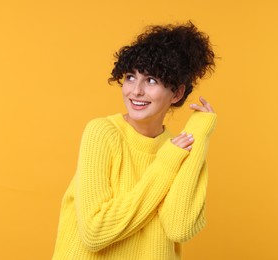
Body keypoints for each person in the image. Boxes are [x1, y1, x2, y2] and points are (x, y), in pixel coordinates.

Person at [52, 21, 217, 259]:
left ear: (177, 93)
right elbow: (94, 231)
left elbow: (179, 227)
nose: (136, 91)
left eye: (151, 80)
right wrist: (165, 164)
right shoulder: (103, 133)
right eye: (130, 77)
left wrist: (200, 133)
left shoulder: (181, 148)